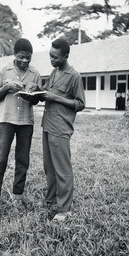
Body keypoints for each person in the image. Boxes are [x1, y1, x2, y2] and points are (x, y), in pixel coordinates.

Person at [0, 38, 40, 216]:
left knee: (22, 162)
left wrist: (32, 92)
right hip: (6, 120)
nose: (25, 61)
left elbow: (37, 99)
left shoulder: (35, 72)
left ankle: (18, 196)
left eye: (28, 58)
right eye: (22, 57)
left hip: (25, 122)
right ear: (15, 54)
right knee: (0, 161)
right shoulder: (3, 69)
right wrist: (8, 86)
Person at [39, 38, 85, 221]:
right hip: (47, 124)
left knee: (62, 168)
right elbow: (48, 92)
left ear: (65, 56)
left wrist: (55, 98)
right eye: (50, 56)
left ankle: (64, 209)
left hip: (60, 127)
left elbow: (80, 104)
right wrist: (37, 91)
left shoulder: (74, 76)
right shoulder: (54, 72)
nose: (52, 60)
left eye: (55, 57)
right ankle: (51, 200)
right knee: (49, 166)